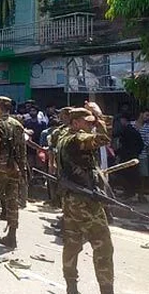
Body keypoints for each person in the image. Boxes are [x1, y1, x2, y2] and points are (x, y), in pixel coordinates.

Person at [57, 106, 113, 294]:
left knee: (72, 244)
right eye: (87, 122)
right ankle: (107, 290)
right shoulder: (76, 139)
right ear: (75, 123)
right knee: (103, 246)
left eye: (92, 122)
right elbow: (103, 139)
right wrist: (99, 117)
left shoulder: (64, 136)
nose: (91, 125)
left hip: (73, 200)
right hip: (84, 202)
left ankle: (71, 286)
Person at [0, 96, 27, 248]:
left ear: (0, 107)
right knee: (12, 202)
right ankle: (12, 236)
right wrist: (22, 169)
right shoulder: (17, 125)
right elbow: (22, 149)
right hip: (14, 168)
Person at [113, 114, 143, 200]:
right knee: (132, 175)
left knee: (126, 175)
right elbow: (140, 144)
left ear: (123, 120)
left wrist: (118, 152)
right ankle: (131, 192)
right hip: (133, 156)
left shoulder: (126, 130)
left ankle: (129, 192)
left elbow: (124, 145)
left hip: (127, 157)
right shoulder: (133, 130)